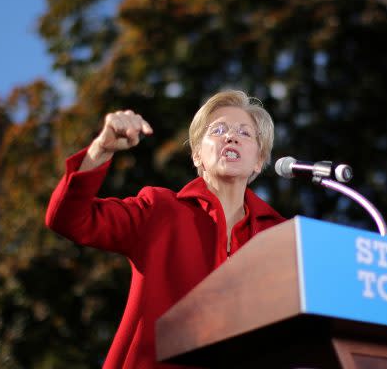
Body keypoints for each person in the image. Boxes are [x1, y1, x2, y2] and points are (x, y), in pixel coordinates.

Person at [45, 90, 286, 368]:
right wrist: (101, 149)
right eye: (218, 130)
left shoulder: (279, 236)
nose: (230, 137)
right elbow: (68, 218)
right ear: (197, 155)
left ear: (259, 159)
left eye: (245, 133)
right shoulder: (160, 210)